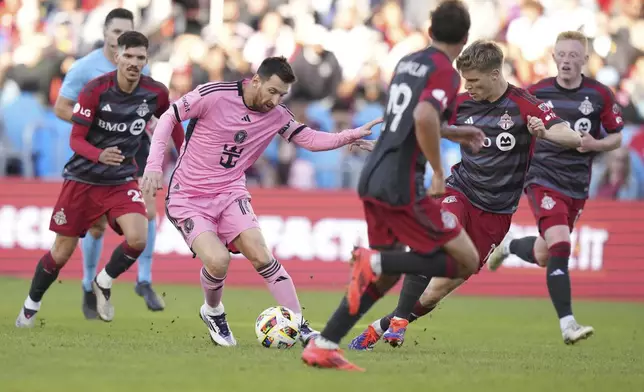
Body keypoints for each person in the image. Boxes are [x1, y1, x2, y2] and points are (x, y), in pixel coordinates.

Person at [347, 39, 583, 354]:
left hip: (496, 213)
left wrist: (545, 132)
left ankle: (382, 326)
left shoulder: (526, 104)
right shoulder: (459, 104)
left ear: (496, 74)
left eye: (473, 81)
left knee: (433, 294)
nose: (467, 87)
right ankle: (400, 322)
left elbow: (572, 135)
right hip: (459, 189)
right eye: (464, 80)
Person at [140, 56, 379, 347]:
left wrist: (349, 136)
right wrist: (153, 166)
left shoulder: (278, 114)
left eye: (282, 95)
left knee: (262, 254)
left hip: (230, 192)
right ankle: (213, 311)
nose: (275, 100)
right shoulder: (214, 94)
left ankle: (298, 323)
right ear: (256, 81)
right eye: (272, 91)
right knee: (218, 261)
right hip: (188, 196)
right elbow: (168, 117)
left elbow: (310, 139)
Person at [301, 0, 484, 371]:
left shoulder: (407, 62)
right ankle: (375, 259)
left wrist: (456, 131)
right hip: (403, 182)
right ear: (464, 39)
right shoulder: (446, 73)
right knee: (467, 259)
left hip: (375, 175)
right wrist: (436, 171)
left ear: (430, 32)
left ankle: (323, 344)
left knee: (383, 279)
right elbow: (422, 116)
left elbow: (414, 119)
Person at [15, 31, 184, 327]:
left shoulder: (155, 92)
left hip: (121, 179)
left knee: (138, 237)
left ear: (147, 60)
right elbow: (76, 139)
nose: (133, 63)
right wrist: (99, 155)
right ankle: (31, 305)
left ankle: (103, 281)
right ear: (116, 56)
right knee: (61, 253)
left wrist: (184, 156)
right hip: (83, 179)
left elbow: (171, 122)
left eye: (140, 58)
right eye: (128, 56)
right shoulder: (95, 90)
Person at [486, 31, 624, 344]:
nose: (567, 61)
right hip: (542, 178)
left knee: (546, 253)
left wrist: (596, 144)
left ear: (585, 60)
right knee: (560, 244)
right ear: (553, 56)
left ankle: (508, 246)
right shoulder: (537, 92)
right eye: (561, 54)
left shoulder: (600, 94)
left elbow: (617, 136)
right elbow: (509, 126)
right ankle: (568, 324)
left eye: (574, 55)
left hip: (577, 184)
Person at [54, 8, 165, 317]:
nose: (120, 39)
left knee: (150, 210)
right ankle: (89, 285)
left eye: (126, 32)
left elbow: (150, 108)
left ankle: (144, 280)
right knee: (96, 228)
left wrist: (154, 126)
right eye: (116, 32)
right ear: (104, 33)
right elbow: (61, 108)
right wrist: (95, 128)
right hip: (98, 153)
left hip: (134, 147)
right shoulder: (84, 68)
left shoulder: (139, 64)